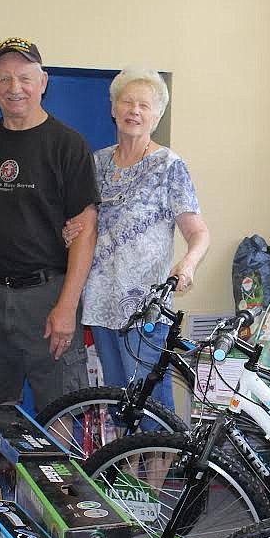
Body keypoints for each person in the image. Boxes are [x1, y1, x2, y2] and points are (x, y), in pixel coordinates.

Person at [0, 37, 99, 412]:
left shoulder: (68, 145)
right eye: (3, 79)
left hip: (47, 297)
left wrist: (67, 306)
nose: (14, 88)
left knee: (60, 410)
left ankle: (60, 473)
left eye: (24, 78)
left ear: (43, 82)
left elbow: (86, 231)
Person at [63, 67, 210, 408]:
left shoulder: (168, 166)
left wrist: (188, 264)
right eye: (127, 102)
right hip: (100, 302)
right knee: (119, 403)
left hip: (146, 306)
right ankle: (129, 464)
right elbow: (83, 223)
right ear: (113, 108)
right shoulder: (96, 163)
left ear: (156, 116)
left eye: (144, 105)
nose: (134, 111)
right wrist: (68, 230)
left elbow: (198, 232)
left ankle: (161, 463)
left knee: (150, 404)